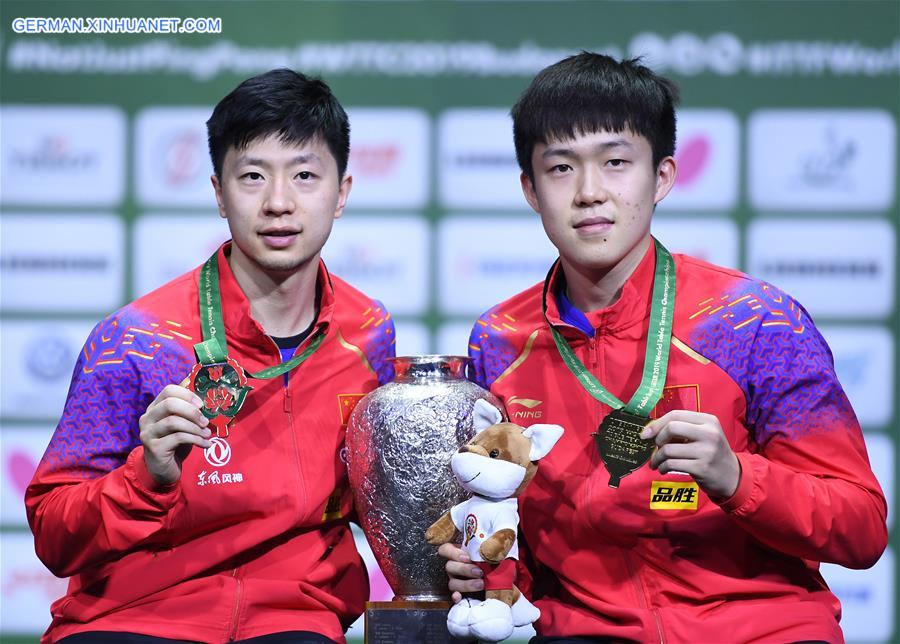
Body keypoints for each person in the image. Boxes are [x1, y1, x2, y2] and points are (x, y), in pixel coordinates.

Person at [440, 52, 888, 643]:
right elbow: (515, 526)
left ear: (664, 177)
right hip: (587, 632)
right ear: (530, 189)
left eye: (617, 162)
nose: (590, 192)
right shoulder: (501, 341)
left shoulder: (754, 322)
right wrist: (487, 567)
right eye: (561, 168)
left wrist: (737, 479)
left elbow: (860, 529)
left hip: (763, 629)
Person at [26, 69, 396, 644]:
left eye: (304, 175)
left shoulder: (367, 332)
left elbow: (376, 496)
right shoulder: (135, 339)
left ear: (342, 192)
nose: (279, 203)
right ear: (220, 194)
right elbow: (53, 535)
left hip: (293, 620)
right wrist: (146, 477)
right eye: (252, 177)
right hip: (134, 616)